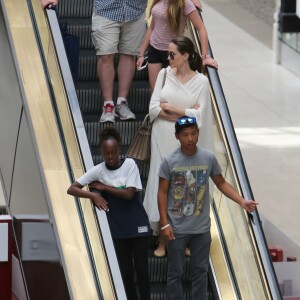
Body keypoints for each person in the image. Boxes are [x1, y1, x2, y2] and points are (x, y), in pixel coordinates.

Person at [158, 116, 258, 299]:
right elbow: (162, 193)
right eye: (185, 135)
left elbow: (221, 183)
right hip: (177, 228)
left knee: (200, 271)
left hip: (202, 228)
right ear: (177, 137)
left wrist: (242, 201)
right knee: (175, 273)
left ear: (198, 133)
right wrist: (164, 224)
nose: (190, 139)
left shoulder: (208, 157)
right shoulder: (169, 161)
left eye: (194, 134)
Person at [143, 36, 214, 257]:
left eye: (172, 54)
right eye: (168, 54)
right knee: (162, 184)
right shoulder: (164, 74)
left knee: (186, 187)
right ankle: (163, 240)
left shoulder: (201, 81)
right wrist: (185, 113)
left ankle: (186, 239)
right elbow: (153, 109)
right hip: (161, 136)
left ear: (186, 56)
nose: (168, 58)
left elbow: (200, 117)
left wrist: (173, 109)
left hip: (185, 142)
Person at [67, 127, 151, 300]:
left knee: (142, 270)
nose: (111, 157)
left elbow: (129, 194)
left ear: (119, 149)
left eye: (113, 152)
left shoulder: (129, 165)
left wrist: (104, 187)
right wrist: (92, 195)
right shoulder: (98, 170)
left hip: (138, 225)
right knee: (126, 272)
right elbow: (71, 189)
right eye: (107, 153)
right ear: (101, 152)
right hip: (118, 228)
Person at [42, 0, 147, 123]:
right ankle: (108, 105)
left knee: (129, 54)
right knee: (105, 55)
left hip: (135, 9)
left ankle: (122, 102)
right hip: (106, 9)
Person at [136, 0, 218, 92]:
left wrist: (205, 56)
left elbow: (201, 28)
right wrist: (141, 54)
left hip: (174, 53)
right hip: (154, 50)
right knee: (155, 92)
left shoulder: (185, 3)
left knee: (171, 92)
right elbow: (151, 28)